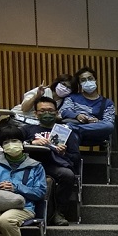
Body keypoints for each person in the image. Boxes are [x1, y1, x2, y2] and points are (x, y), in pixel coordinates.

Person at [21, 96, 81, 226]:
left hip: (55, 165)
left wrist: (64, 153)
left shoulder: (66, 132)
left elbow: (76, 157)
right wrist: (32, 142)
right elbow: (15, 145)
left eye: (50, 110)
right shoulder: (27, 130)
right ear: (35, 113)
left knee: (68, 175)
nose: (47, 113)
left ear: (56, 112)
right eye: (42, 111)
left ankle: (59, 213)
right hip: (30, 164)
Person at [58, 66, 116, 145]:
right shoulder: (72, 97)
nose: (87, 81)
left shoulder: (107, 103)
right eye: (83, 80)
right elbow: (64, 111)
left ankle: (74, 128)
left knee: (109, 126)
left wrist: (97, 121)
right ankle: (75, 131)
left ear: (95, 80)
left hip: (94, 131)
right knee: (72, 135)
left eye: (90, 78)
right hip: (76, 127)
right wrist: (77, 116)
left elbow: (109, 122)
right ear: (80, 84)